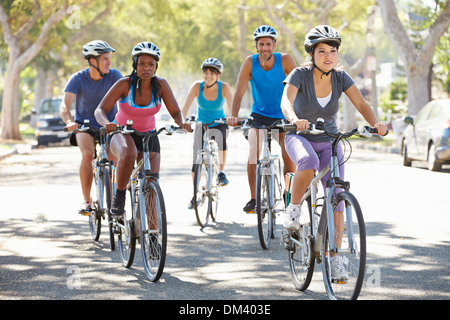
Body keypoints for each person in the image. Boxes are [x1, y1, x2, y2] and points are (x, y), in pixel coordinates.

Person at [281, 25, 387, 279]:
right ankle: (293, 209)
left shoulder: (340, 77)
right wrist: (295, 118)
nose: (328, 56)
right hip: (299, 136)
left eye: (332, 51)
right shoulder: (299, 74)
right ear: (312, 54)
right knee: (307, 161)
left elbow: (361, 103)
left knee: (338, 196)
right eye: (321, 51)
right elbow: (286, 100)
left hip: (330, 139)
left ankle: (335, 259)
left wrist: (376, 125)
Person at [95, 41, 191, 216]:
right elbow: (100, 110)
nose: (146, 68)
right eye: (142, 64)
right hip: (121, 132)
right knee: (129, 152)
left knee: (151, 183)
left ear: (156, 67)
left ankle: (153, 235)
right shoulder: (124, 84)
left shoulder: (161, 85)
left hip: (148, 135)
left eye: (151, 65)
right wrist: (106, 123)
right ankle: (120, 196)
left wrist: (181, 122)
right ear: (135, 65)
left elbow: (176, 111)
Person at [227, 25, 297, 213]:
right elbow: (239, 91)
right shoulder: (250, 62)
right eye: (261, 44)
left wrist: (299, 115)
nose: (264, 48)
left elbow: (299, 86)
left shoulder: (285, 60)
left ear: (274, 45)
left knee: (288, 154)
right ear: (256, 46)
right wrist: (233, 115)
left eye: (268, 44)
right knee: (253, 153)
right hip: (258, 115)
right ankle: (254, 198)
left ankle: (288, 194)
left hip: (284, 114)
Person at [60, 40, 122, 214]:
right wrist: (69, 122)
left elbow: (126, 97)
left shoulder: (114, 75)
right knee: (88, 155)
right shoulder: (78, 79)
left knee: (113, 161)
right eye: (105, 59)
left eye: (109, 59)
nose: (109, 63)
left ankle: (113, 202)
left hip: (109, 125)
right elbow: (64, 105)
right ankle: (86, 201)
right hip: (84, 125)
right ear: (93, 61)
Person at [181, 58, 233, 208]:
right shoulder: (197, 86)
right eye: (206, 72)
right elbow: (185, 107)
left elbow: (232, 107)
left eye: (212, 73)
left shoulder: (224, 88)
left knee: (222, 139)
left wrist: (231, 118)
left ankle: (221, 172)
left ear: (218, 76)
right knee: (196, 160)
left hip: (219, 123)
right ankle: (195, 193)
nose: (208, 76)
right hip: (201, 124)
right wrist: (181, 121)